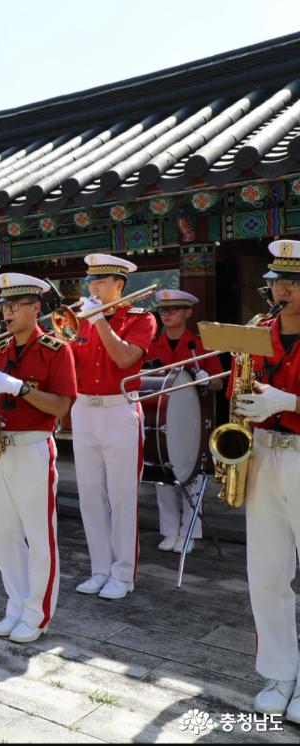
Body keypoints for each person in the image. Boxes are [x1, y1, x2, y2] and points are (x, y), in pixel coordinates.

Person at [0, 273, 77, 644]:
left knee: (38, 535)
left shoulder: (56, 349)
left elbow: (62, 406)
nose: (8, 312)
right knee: (4, 534)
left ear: (36, 308)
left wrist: (21, 388)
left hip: (33, 446)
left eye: (16, 305)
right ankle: (15, 605)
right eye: (5, 305)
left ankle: (37, 614)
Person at [231, 240, 300, 719]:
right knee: (267, 572)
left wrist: (290, 402)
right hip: (262, 454)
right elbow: (238, 390)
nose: (284, 290)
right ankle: (279, 671)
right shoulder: (256, 331)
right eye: (278, 281)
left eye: (294, 282)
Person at [70, 253, 157, 600]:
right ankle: (100, 569)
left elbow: (124, 358)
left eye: (101, 282)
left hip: (119, 409)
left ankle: (123, 573)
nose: (93, 288)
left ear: (119, 285)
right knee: (90, 495)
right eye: (91, 281)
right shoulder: (80, 320)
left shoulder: (141, 318)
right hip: (83, 409)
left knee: (122, 496)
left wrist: (98, 322)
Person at [144, 289, 225, 554]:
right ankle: (169, 531)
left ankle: (189, 532)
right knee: (163, 477)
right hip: (160, 421)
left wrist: (206, 378)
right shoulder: (151, 344)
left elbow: (219, 382)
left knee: (193, 477)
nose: (166, 315)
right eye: (163, 310)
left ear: (188, 312)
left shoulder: (200, 344)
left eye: (173, 310)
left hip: (193, 422)